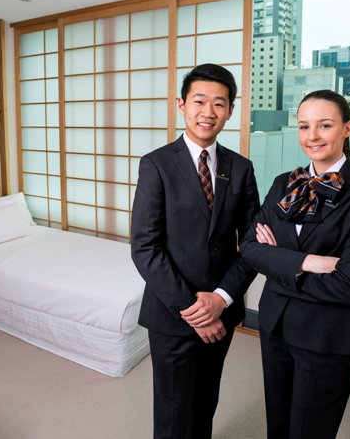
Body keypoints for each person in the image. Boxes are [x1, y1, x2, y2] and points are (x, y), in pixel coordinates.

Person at [240, 89, 350, 439]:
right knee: (277, 425)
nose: (312, 136)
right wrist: (310, 261)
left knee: (310, 432)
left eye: (324, 125)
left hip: (326, 335)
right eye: (304, 126)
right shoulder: (283, 184)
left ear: (347, 128)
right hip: (275, 324)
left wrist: (279, 263)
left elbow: (348, 283)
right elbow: (248, 248)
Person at [131, 63, 260, 439]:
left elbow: (250, 244)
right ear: (181, 105)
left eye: (219, 104)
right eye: (200, 101)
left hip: (223, 309)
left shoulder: (241, 168)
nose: (209, 112)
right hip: (173, 314)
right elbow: (145, 247)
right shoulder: (156, 164)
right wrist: (195, 310)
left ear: (230, 111)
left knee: (206, 402)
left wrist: (220, 300)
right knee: (173, 413)